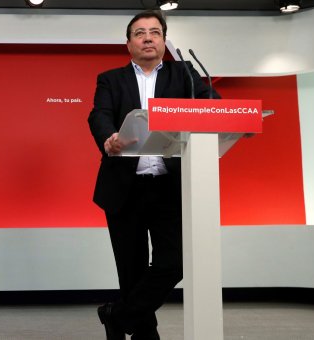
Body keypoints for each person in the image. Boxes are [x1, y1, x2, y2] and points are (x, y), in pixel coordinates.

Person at [88, 10, 219, 340]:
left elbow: (212, 106)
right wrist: (108, 138)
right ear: (128, 43)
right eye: (140, 33)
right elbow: (99, 115)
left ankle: (117, 315)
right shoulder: (110, 79)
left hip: (169, 187)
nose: (148, 37)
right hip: (124, 187)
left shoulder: (185, 74)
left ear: (164, 40)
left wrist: (231, 117)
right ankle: (145, 335)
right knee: (131, 271)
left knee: (173, 264)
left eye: (155, 32)